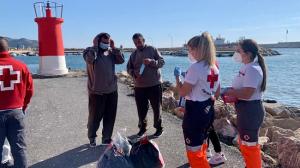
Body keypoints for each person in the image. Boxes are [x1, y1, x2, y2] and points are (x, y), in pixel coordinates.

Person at [174, 32, 220, 168]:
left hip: (195, 112)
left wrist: (177, 78)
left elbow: (182, 92)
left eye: (190, 49)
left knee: (194, 153)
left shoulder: (196, 67)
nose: (189, 53)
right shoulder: (214, 67)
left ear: (197, 49)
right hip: (208, 109)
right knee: (202, 146)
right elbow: (216, 92)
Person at [223, 39, 267, 168]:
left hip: (250, 112)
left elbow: (248, 94)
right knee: (245, 145)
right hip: (246, 110)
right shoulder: (248, 67)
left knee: (250, 147)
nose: (236, 53)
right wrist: (231, 92)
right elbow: (244, 90)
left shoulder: (253, 69)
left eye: (239, 51)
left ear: (247, 53)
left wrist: (230, 91)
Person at [83, 33, 124, 147]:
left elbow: (121, 60)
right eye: (104, 42)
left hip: (112, 90)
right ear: (97, 41)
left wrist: (114, 48)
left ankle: (106, 138)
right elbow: (90, 60)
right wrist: (95, 46)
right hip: (96, 92)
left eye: (107, 42)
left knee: (110, 117)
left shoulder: (111, 53)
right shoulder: (89, 51)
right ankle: (92, 137)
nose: (106, 44)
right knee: (94, 117)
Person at [0, 37, 34, 168]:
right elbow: (30, 90)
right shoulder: (21, 66)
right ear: (8, 49)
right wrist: (22, 107)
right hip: (16, 112)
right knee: (19, 148)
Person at [127, 33, 165, 138]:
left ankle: (159, 128)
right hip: (139, 87)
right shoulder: (133, 54)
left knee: (157, 108)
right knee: (141, 110)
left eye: (139, 41)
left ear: (143, 40)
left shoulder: (152, 49)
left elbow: (162, 62)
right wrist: (134, 73)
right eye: (135, 43)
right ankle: (142, 128)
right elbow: (128, 68)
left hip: (154, 85)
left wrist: (152, 62)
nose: (137, 44)